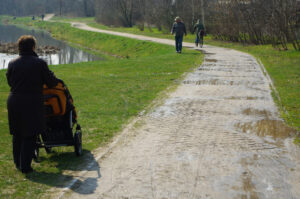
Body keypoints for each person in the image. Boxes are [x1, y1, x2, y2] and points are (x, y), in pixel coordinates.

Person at [6, 35, 58, 173]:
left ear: (19, 47)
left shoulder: (12, 63)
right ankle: (25, 166)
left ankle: (18, 163)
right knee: (30, 133)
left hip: (14, 100)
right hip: (32, 101)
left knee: (17, 133)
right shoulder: (39, 63)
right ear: (33, 47)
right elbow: (51, 82)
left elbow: (10, 82)